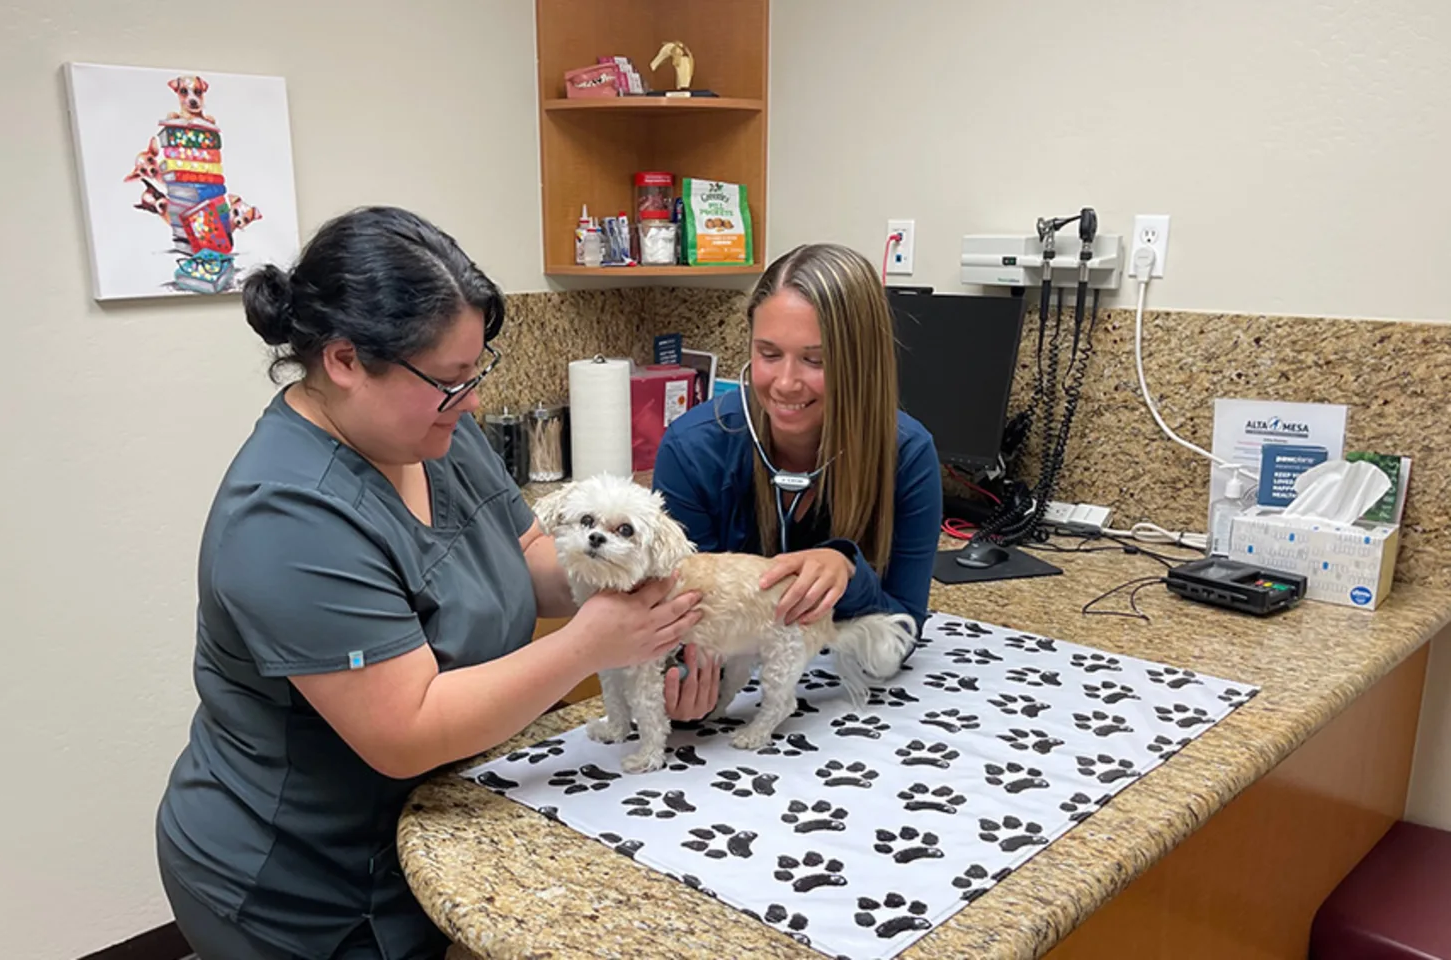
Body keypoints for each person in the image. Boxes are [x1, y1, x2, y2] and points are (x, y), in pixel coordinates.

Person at [154, 206, 703, 960]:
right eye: (450, 379)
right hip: (299, 886)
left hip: (429, 825)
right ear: (345, 360)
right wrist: (591, 644)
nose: (472, 398)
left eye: (476, 372)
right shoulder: (286, 518)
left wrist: (629, 588)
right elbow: (405, 731)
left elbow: (534, 557)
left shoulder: (433, 429)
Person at [651, 242, 942, 716]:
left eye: (816, 360)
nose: (785, 383)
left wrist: (848, 571)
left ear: (860, 365)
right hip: (732, 707)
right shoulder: (692, 450)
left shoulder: (906, 455)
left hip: (844, 709)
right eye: (769, 354)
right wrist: (678, 683)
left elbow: (901, 632)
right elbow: (674, 615)